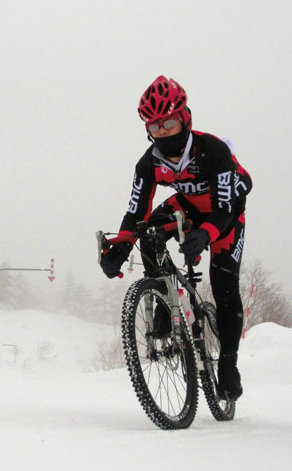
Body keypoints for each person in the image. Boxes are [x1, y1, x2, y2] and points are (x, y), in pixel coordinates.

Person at [100, 75, 252, 400]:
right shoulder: (149, 164)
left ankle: (228, 364)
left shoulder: (213, 151)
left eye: (168, 122)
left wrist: (204, 235)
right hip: (187, 206)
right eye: (154, 127)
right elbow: (135, 212)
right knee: (148, 231)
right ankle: (165, 302)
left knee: (223, 283)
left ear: (184, 117)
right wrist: (121, 247)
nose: (162, 132)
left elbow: (225, 208)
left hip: (225, 213)